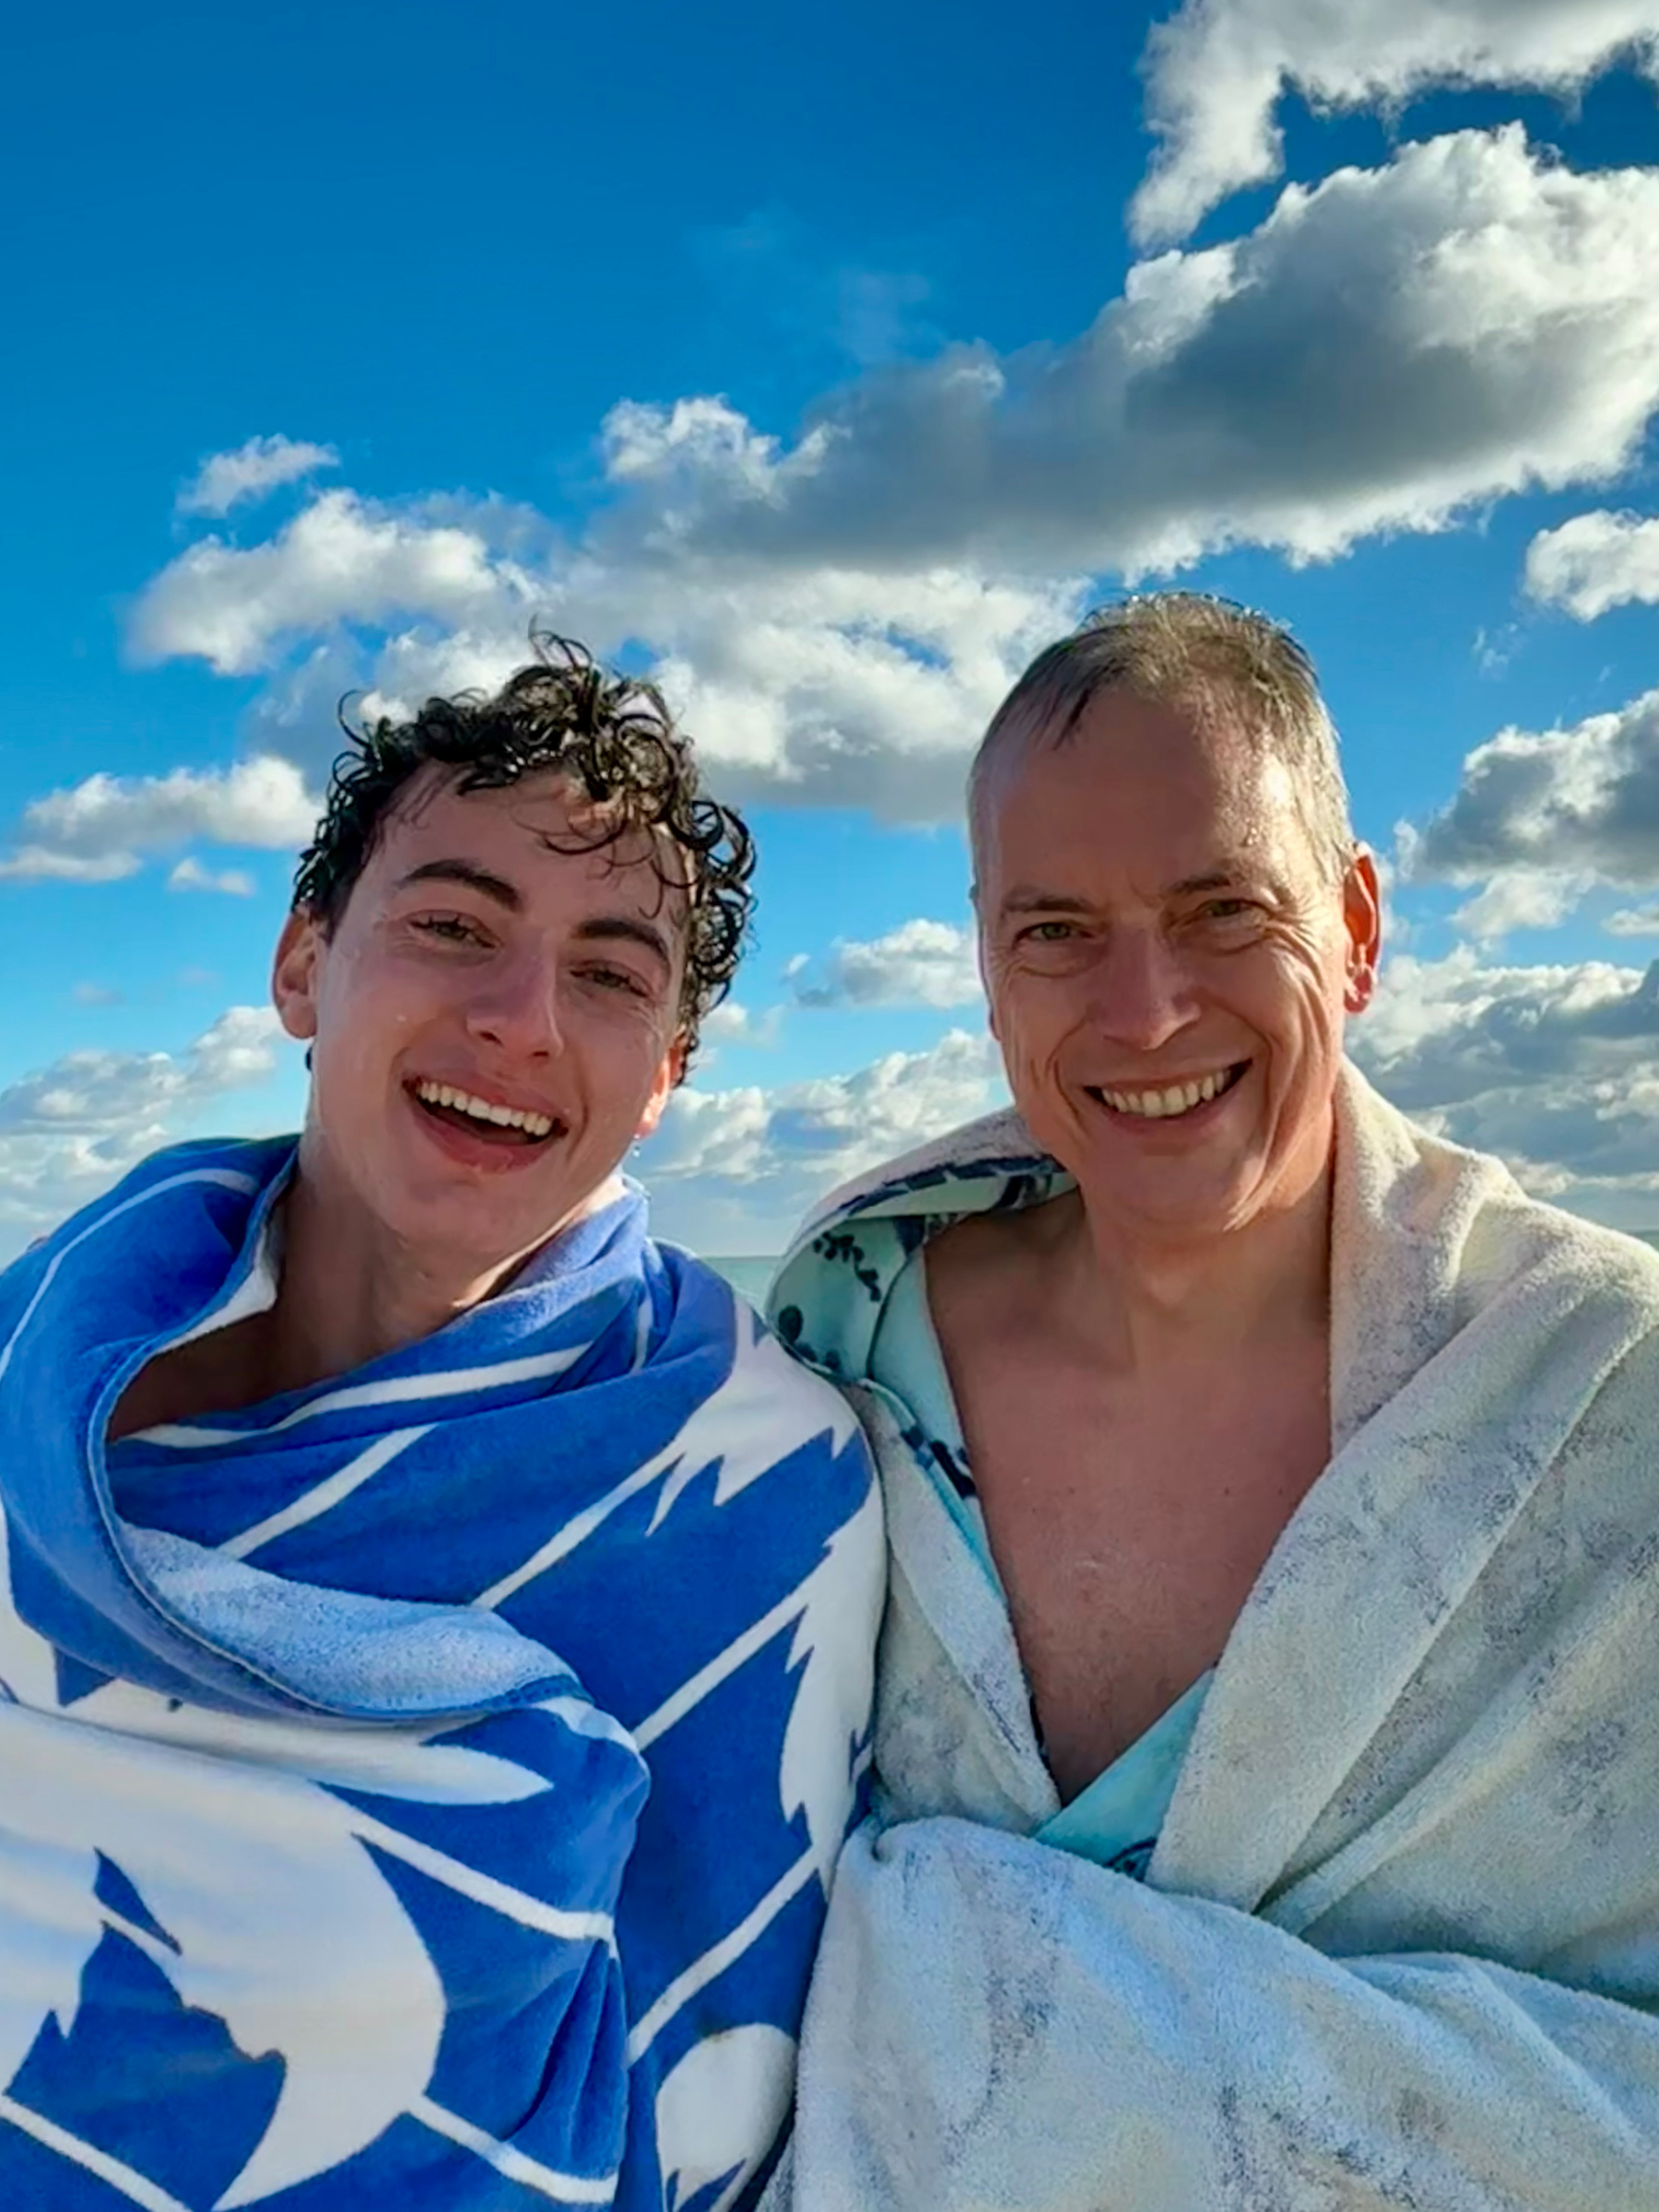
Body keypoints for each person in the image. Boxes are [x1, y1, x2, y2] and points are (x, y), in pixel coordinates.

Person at [765, 593, 1659, 2209]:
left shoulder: (1608, 1393)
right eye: (1055, 932)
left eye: (1222, 910)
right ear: (984, 963)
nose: (1146, 1010)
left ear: (1359, 927)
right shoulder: (843, 1368)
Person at [0, 637, 882, 2212]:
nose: (523, 1016)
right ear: (302, 966)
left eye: (611, 973)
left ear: (667, 1072)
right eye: (455, 924)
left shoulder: (762, 1485)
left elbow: (731, 2058)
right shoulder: (29, 1375)